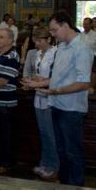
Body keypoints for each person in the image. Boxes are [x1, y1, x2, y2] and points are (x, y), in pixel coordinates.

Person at [34, 11, 91, 186]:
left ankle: (76, 187)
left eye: (54, 30)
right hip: (57, 105)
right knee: (61, 149)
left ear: (65, 25)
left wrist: (55, 91)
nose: (52, 34)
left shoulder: (81, 49)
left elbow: (83, 83)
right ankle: (65, 185)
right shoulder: (61, 48)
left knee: (72, 151)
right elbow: (58, 77)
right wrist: (41, 83)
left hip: (72, 108)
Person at [21, 27, 58, 180]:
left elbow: (55, 76)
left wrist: (40, 81)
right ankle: (44, 163)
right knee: (43, 133)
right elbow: (37, 73)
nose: (37, 44)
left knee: (51, 134)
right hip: (39, 96)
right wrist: (32, 80)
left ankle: (54, 166)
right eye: (36, 41)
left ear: (49, 39)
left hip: (50, 97)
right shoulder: (37, 54)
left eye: (40, 41)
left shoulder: (55, 53)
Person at [0, 28, 20, 175]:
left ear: (10, 40)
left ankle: (6, 163)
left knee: (5, 135)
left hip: (6, 103)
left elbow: (3, 80)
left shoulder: (12, 56)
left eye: (1, 37)